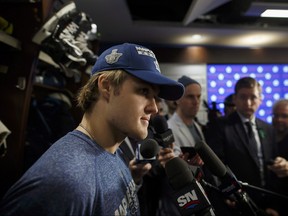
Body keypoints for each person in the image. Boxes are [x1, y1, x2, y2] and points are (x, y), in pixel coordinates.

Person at [0, 43, 184, 216]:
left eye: (155, 96)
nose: (154, 108)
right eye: (144, 91)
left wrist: (133, 178)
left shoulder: (113, 151)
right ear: (106, 86)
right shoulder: (63, 182)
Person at [206, 76, 280, 215]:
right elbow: (214, 167)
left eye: (253, 97)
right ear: (235, 99)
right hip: (236, 203)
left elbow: (272, 169)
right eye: (243, 97)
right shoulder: (220, 126)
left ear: (260, 99)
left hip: (266, 203)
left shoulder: (268, 129)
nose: (248, 102)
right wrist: (227, 194)